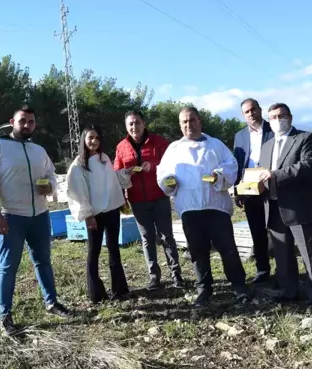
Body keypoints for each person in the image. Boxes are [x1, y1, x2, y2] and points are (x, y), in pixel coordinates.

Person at [0, 105, 71, 336]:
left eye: (31, 121)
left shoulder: (38, 150)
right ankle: (5, 315)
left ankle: (51, 302)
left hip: (39, 214)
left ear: (35, 125)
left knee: (43, 261)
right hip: (10, 215)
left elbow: (50, 174)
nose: (26, 125)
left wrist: (51, 186)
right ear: (12, 121)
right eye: (22, 121)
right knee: (8, 266)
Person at [157, 106, 251, 307]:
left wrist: (219, 174)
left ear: (199, 121)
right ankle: (204, 289)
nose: (188, 125)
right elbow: (162, 173)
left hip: (216, 207)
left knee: (228, 249)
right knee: (198, 252)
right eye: (184, 122)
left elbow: (231, 165)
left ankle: (239, 286)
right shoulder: (173, 149)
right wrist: (168, 181)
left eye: (192, 120)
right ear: (180, 125)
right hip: (189, 209)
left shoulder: (215, 145)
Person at [258, 103, 312, 313]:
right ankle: (290, 291)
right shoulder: (267, 145)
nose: (277, 120)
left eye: (281, 116)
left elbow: (306, 166)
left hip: (299, 208)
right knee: (282, 253)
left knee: (310, 253)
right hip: (274, 206)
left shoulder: (305, 138)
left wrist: (275, 175)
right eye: (272, 117)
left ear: (290, 117)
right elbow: (262, 172)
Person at [114, 110, 185, 291]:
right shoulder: (121, 147)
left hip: (159, 197)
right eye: (130, 124)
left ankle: (176, 274)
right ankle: (154, 276)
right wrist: (123, 197)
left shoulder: (158, 141)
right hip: (137, 200)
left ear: (144, 123)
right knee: (147, 239)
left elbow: (172, 163)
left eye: (137, 122)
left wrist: (153, 166)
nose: (134, 126)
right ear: (126, 126)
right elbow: (116, 174)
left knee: (166, 236)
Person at [67, 125, 131, 304]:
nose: (94, 141)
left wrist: (126, 173)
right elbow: (78, 192)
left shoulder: (104, 159)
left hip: (111, 211)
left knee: (113, 249)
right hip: (95, 215)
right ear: (84, 140)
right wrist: (88, 215)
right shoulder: (78, 165)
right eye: (90, 138)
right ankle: (95, 293)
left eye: (96, 138)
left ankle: (120, 289)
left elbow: (111, 180)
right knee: (93, 251)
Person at [233, 98, 274, 284]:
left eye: (253, 110)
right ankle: (263, 269)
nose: (251, 114)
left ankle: (284, 268)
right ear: (243, 115)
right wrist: (237, 190)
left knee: (276, 228)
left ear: (259, 109)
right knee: (256, 230)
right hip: (249, 188)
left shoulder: (273, 129)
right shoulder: (240, 136)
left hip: (271, 185)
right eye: (247, 112)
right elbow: (237, 163)